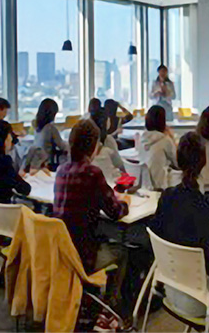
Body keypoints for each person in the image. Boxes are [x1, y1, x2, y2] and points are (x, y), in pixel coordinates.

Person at [53, 120, 136, 321]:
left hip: (60, 252)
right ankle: (111, 306)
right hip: (83, 255)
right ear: (93, 147)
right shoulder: (92, 173)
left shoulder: (62, 171)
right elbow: (115, 212)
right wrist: (125, 202)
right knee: (123, 251)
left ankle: (91, 298)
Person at [151, 132, 209, 317]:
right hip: (202, 300)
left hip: (170, 290)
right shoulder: (205, 207)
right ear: (204, 161)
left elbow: (155, 235)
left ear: (178, 159)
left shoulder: (166, 196)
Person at [139, 105, 177, 189]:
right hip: (161, 185)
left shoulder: (142, 139)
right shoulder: (165, 140)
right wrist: (172, 138)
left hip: (144, 185)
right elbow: (177, 163)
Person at [90, 108, 126, 183]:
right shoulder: (108, 140)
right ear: (106, 123)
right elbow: (119, 164)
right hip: (111, 182)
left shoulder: (88, 141)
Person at [34, 98, 68, 169]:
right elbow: (62, 146)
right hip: (48, 163)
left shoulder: (37, 127)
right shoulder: (50, 128)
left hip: (37, 162)